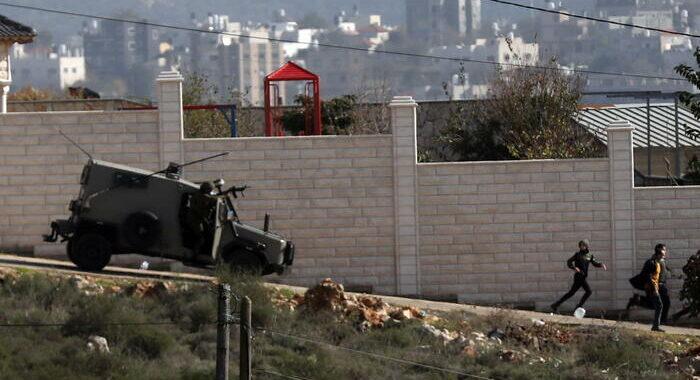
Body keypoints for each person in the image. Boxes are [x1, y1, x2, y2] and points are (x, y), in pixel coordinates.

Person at [551, 240, 607, 313]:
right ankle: (579, 306)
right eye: (580, 245)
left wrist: (601, 264)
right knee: (589, 291)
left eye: (583, 245)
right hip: (579, 276)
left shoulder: (590, 255)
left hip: (583, 277)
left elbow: (594, 263)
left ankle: (555, 305)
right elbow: (569, 262)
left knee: (571, 293)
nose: (581, 247)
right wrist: (574, 268)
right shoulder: (577, 254)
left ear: (586, 246)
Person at [627, 244, 667, 332]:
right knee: (659, 305)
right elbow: (649, 277)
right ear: (659, 254)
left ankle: (637, 300)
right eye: (663, 254)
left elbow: (656, 277)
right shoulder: (651, 263)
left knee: (656, 305)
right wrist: (655, 290)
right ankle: (656, 326)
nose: (664, 256)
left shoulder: (657, 262)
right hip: (651, 288)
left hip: (655, 287)